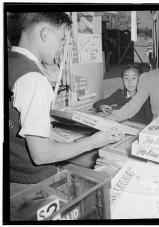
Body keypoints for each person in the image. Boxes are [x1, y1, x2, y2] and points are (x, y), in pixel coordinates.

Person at [8, 13, 123, 195]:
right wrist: (93, 141)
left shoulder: (10, 60)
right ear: (45, 33)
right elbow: (42, 155)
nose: (62, 47)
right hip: (31, 184)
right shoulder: (33, 80)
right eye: (61, 39)